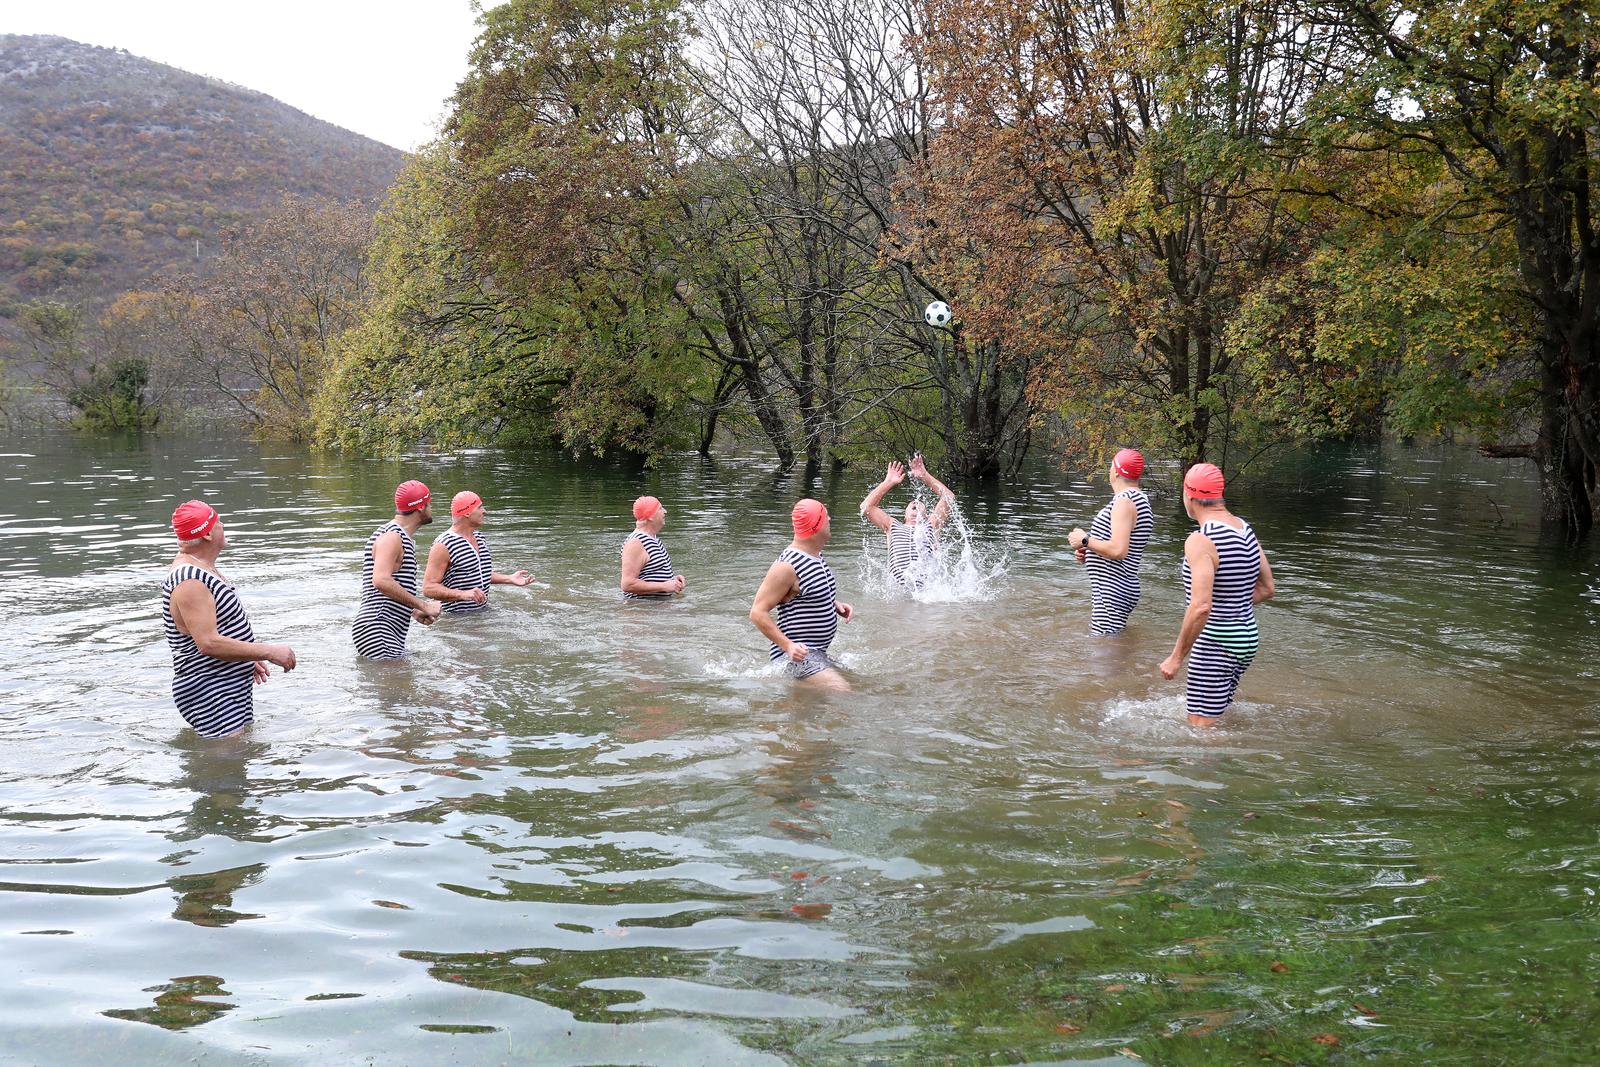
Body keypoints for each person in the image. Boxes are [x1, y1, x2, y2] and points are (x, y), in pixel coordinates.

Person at [162, 500, 296, 738]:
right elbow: (208, 643)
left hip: (223, 682)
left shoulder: (200, 568)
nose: (223, 525)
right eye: (218, 522)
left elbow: (215, 629)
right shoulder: (189, 579)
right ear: (206, 534)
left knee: (237, 760)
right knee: (225, 768)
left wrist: (243, 659)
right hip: (210, 689)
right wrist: (268, 651)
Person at [1158, 463, 1276, 724]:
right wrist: (1232, 605)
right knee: (1218, 716)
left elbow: (1201, 606)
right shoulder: (1244, 529)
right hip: (1246, 640)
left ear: (1189, 496)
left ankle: (1216, 763)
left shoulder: (1201, 540)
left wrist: (1176, 658)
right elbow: (1268, 588)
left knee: (1201, 728)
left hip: (1216, 643)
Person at [749, 499, 855, 689]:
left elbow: (806, 593)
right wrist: (788, 646)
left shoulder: (816, 555)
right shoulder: (787, 566)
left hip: (816, 653)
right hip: (795, 657)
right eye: (825, 517)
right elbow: (757, 612)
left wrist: (831, 603)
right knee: (843, 692)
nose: (830, 519)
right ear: (815, 526)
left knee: (861, 685)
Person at [1068, 448, 1155, 635]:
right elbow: (1123, 547)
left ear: (1115, 471)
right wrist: (1090, 552)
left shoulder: (1124, 501)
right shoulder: (1140, 499)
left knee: (1105, 655)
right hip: (1117, 586)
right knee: (1112, 646)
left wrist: (1085, 540)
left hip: (1112, 588)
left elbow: (1118, 550)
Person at [353, 479, 442, 659]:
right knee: (397, 687)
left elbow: (384, 587)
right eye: (429, 503)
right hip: (377, 628)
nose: (431, 508)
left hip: (380, 629)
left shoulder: (397, 536)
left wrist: (412, 610)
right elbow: (380, 580)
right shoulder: (392, 536)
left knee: (400, 683)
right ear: (420, 507)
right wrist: (423, 605)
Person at [424, 490, 533, 614]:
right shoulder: (443, 544)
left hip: (483, 613)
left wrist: (509, 579)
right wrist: (462, 594)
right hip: (456, 620)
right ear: (467, 512)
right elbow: (429, 588)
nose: (484, 511)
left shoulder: (479, 537)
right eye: (479, 507)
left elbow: (478, 572)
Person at [859, 455, 956, 589]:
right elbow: (866, 508)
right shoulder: (892, 525)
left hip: (926, 593)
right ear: (905, 514)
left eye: (920, 503)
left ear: (926, 514)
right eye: (912, 503)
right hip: (897, 590)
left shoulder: (932, 524)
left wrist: (924, 476)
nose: (916, 502)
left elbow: (949, 498)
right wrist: (888, 482)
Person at [621, 495, 686, 599]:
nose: (665, 511)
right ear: (650, 516)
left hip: (656, 608)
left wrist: (672, 581)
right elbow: (627, 584)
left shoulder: (653, 539)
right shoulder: (635, 543)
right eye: (660, 508)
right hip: (642, 610)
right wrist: (664, 586)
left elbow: (650, 575)